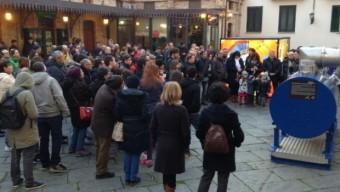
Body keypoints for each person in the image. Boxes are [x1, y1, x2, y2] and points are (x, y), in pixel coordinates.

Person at [196, 82, 244, 192]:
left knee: (206, 176)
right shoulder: (231, 114)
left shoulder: (205, 112)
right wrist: (235, 143)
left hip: (210, 149)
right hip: (226, 149)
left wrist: (204, 142)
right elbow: (239, 135)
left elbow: (199, 132)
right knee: (223, 179)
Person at [5, 72, 45, 190]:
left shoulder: (8, 92)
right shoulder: (26, 93)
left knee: (15, 155)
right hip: (26, 130)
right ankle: (29, 182)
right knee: (28, 156)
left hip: (12, 130)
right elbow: (33, 114)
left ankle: (16, 180)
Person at [150, 82, 190, 192]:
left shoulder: (158, 108)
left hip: (162, 143)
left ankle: (166, 189)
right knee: (172, 174)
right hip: (176, 144)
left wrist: (152, 145)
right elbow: (185, 132)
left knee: (166, 172)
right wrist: (186, 148)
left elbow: (152, 128)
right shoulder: (181, 110)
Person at [31, 62, 70, 173]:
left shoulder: (30, 82)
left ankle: (45, 162)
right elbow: (59, 97)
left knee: (43, 139)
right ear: (44, 68)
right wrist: (65, 111)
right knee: (56, 138)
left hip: (39, 115)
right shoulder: (51, 80)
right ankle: (55, 162)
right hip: (53, 114)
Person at [116, 75, 148, 185]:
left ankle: (127, 175)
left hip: (125, 124)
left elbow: (117, 112)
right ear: (138, 84)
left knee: (127, 151)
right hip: (139, 125)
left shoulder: (120, 95)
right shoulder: (143, 96)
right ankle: (133, 177)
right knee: (136, 152)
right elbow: (145, 114)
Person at [92, 75, 123, 179]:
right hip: (104, 125)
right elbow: (115, 113)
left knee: (99, 146)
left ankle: (99, 166)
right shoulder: (109, 97)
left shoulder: (104, 87)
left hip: (97, 123)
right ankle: (101, 172)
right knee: (104, 149)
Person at [63, 67, 92, 156]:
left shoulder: (67, 82)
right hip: (81, 108)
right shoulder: (79, 84)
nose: (83, 73)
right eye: (81, 72)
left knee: (76, 127)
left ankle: (72, 147)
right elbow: (87, 94)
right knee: (82, 128)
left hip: (73, 108)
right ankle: (79, 149)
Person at [0, 59, 15, 145]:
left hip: (3, 103)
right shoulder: (6, 78)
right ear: (4, 68)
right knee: (9, 123)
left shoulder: (5, 77)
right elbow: (15, 88)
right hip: (6, 104)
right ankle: (8, 143)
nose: (12, 67)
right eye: (10, 66)